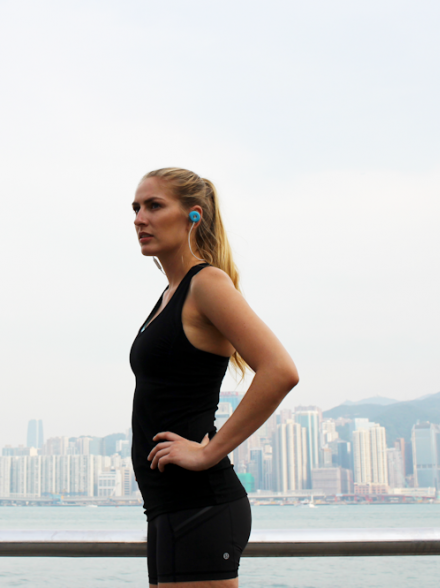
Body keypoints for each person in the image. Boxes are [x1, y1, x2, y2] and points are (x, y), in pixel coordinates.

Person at [130, 168, 299, 587]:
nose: (139, 218)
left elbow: (280, 371)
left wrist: (207, 453)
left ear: (194, 215)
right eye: (135, 208)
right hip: (167, 505)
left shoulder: (206, 283)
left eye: (154, 206)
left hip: (200, 503)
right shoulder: (169, 295)